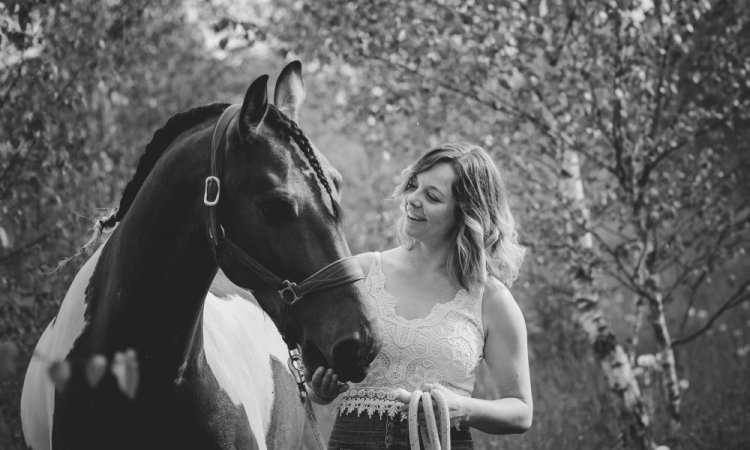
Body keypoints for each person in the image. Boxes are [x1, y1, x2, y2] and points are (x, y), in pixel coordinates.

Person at [308, 142, 532, 450]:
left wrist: (463, 407)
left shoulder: (491, 299)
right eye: (414, 185)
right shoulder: (360, 272)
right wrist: (321, 389)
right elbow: (315, 369)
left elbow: (521, 411)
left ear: (466, 213)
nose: (413, 199)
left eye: (432, 196)